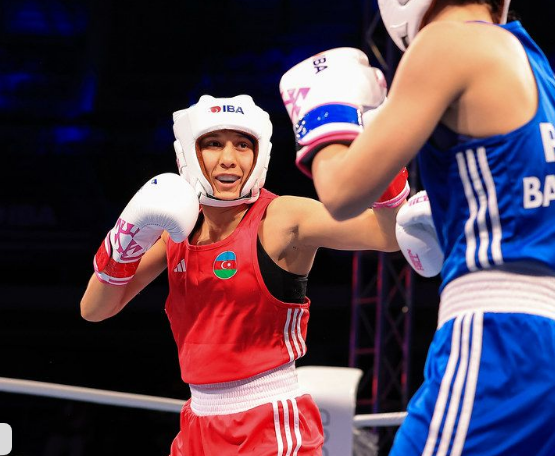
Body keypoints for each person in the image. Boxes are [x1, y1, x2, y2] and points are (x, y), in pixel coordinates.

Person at [278, 0, 555, 454]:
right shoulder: (551, 84)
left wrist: (324, 118)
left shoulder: (446, 42)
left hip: (495, 344)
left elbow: (341, 193)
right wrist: (457, 226)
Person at [80, 94, 409, 456]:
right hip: (197, 421)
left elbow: (388, 235)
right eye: (213, 144)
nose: (229, 159)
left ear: (259, 154)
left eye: (242, 145)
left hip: (268, 421)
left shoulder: (281, 218)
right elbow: (95, 309)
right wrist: (123, 238)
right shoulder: (176, 231)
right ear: (189, 152)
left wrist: (383, 151)